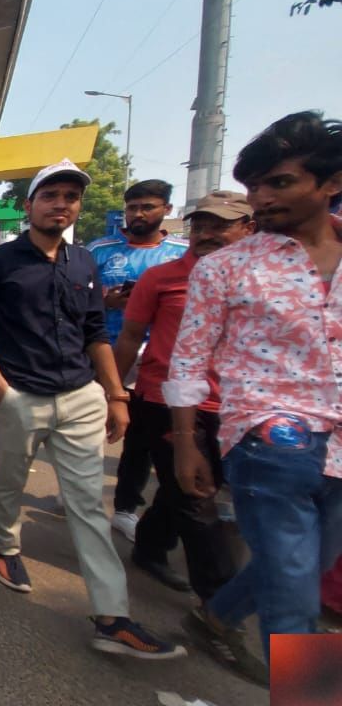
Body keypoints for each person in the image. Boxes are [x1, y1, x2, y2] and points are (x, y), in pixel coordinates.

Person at [0, 159, 183, 659]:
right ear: (30, 205)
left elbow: (93, 333)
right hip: (22, 395)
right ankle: (6, 547)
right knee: (9, 480)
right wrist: (1, 387)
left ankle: (112, 616)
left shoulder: (84, 261)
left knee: (86, 505)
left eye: (70, 196)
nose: (62, 204)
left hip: (81, 396)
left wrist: (114, 394)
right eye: (51, 195)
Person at [167, 111, 342, 662]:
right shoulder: (227, 268)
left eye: (280, 182)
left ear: (331, 184)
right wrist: (187, 441)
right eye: (255, 187)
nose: (261, 199)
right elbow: (189, 357)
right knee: (294, 598)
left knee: (305, 566)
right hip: (270, 438)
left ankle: (215, 616)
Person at [110, 190, 264, 681]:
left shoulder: (274, 278)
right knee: (202, 506)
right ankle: (218, 610)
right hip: (171, 404)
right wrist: (113, 395)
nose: (207, 234)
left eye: (222, 225)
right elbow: (131, 338)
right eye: (200, 224)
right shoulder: (165, 278)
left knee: (190, 497)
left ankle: (153, 546)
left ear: (249, 228)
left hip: (251, 412)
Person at [90, 180, 188, 544]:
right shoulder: (100, 250)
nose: (138, 214)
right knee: (87, 426)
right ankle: (77, 489)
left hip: (159, 357)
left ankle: (126, 508)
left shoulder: (182, 252)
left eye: (147, 207)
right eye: (132, 207)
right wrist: (104, 299)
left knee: (141, 437)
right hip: (102, 349)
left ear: (166, 209)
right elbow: (74, 295)